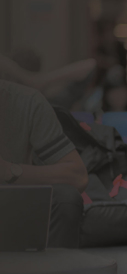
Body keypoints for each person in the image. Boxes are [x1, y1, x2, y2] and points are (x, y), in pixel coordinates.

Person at [0, 79, 88, 248]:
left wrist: (8, 170)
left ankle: (53, 273)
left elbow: (78, 177)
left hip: (10, 211)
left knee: (66, 198)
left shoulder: (26, 101)